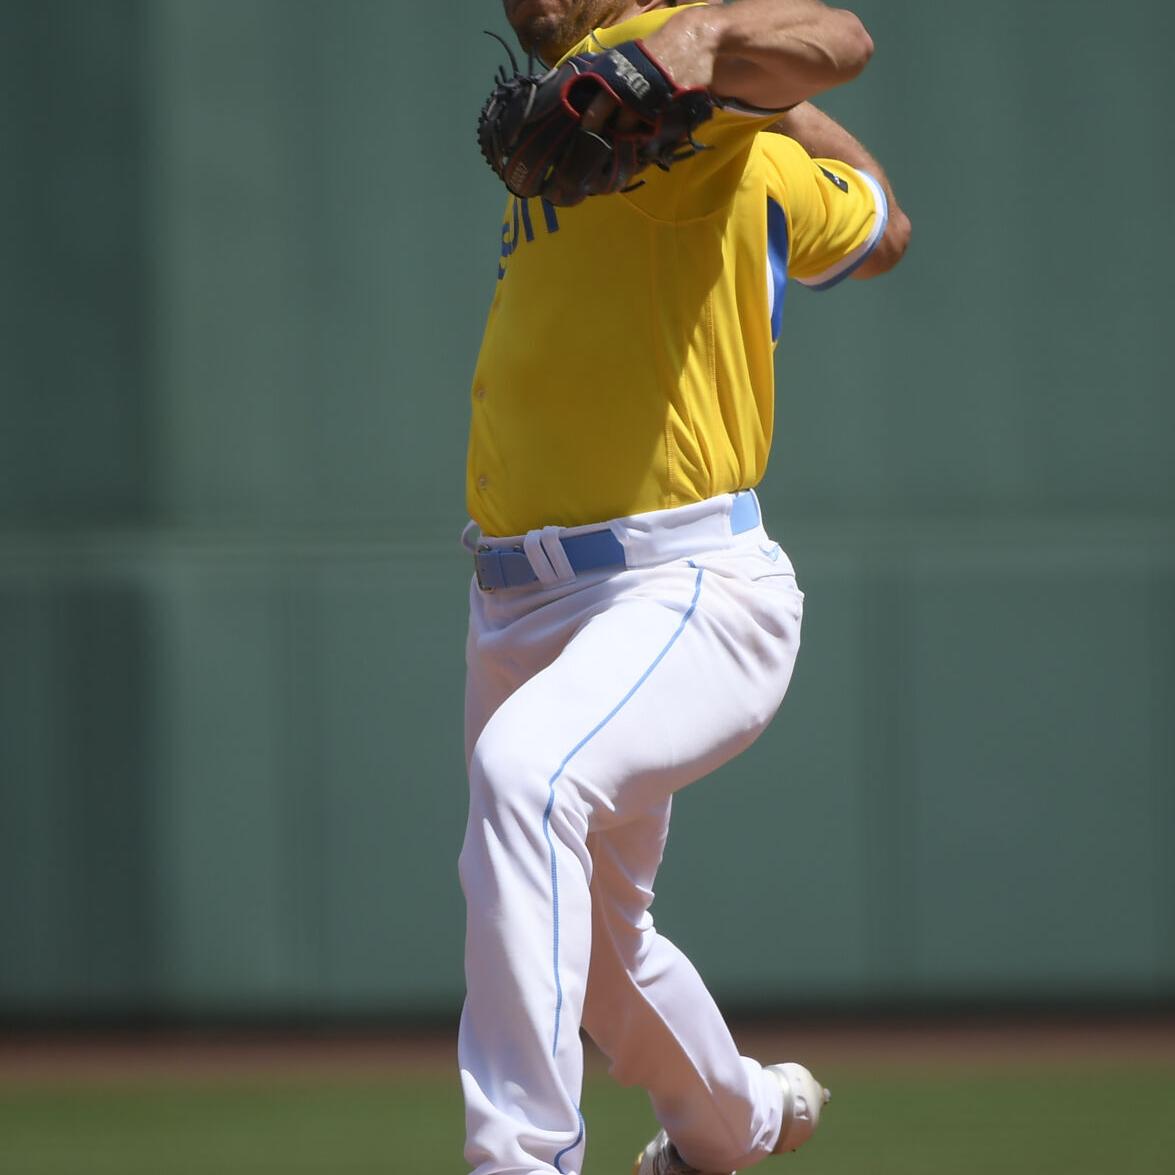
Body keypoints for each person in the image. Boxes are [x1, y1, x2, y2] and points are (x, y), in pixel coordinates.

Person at [458, 2, 911, 1173]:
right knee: (602, 955)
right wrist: (736, 93)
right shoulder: (593, 89)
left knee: (528, 774)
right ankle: (739, 1122)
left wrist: (713, 58)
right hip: (515, 602)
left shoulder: (694, 95)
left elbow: (842, 48)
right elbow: (876, 213)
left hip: (680, 583)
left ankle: (520, 1158)